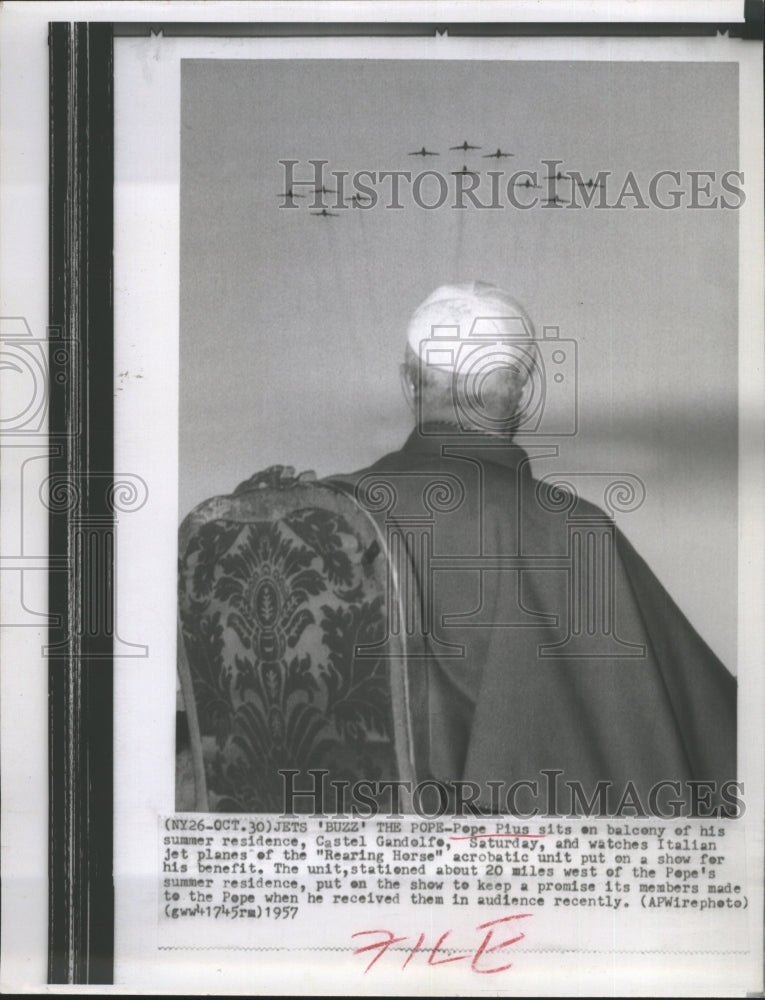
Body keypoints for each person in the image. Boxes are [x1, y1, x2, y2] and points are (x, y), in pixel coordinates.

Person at [328, 280, 737, 817]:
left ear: (408, 382)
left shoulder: (317, 511)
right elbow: (710, 737)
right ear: (519, 391)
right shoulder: (569, 533)